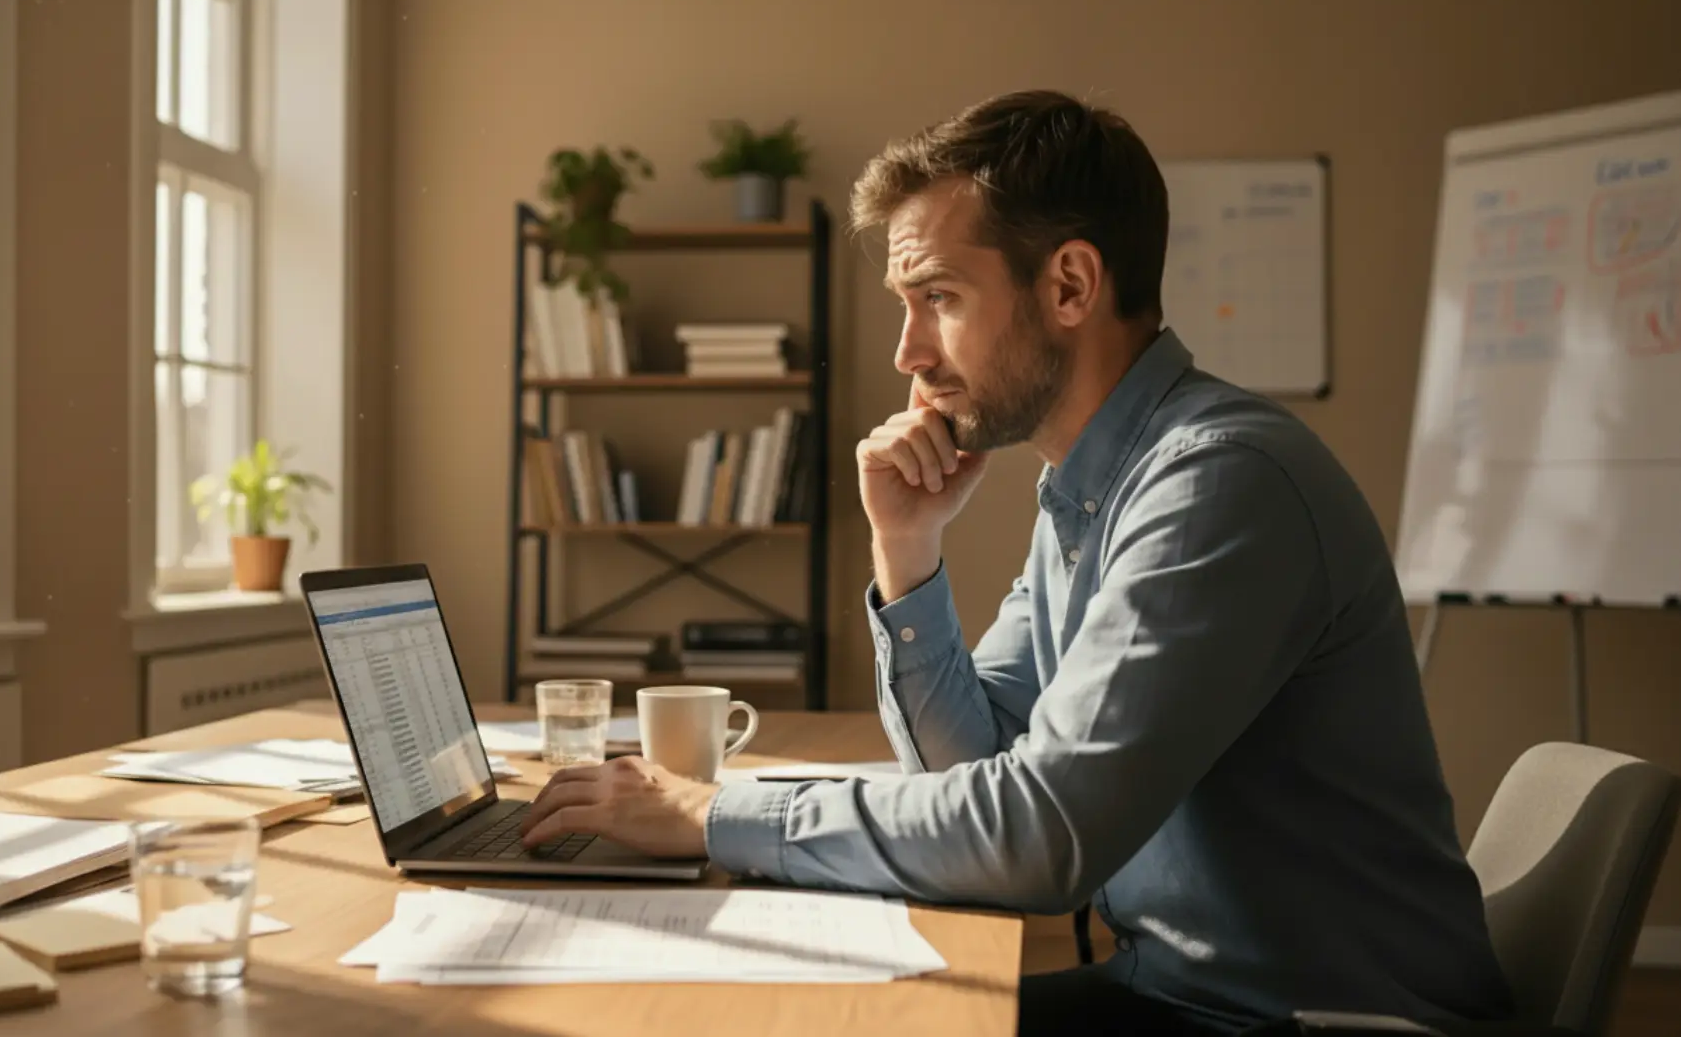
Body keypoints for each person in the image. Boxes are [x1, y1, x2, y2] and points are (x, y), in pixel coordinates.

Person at [520, 90, 1513, 1035]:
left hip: (1311, 1025)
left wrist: (720, 814)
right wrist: (907, 552)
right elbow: (983, 769)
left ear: (1071, 285)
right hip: (1182, 995)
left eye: (938, 297)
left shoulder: (1218, 488)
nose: (908, 351)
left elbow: (1040, 842)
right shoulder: (1091, 486)